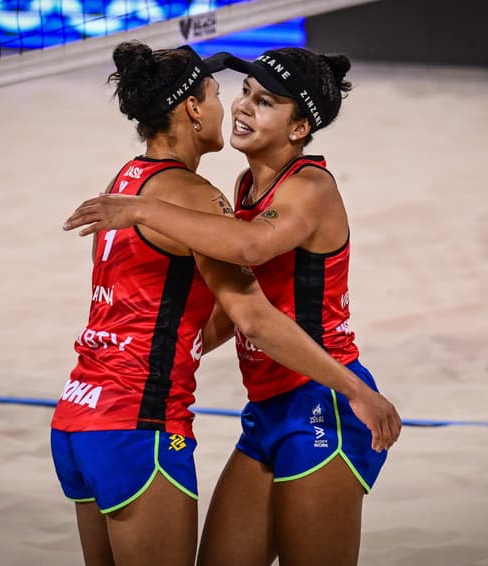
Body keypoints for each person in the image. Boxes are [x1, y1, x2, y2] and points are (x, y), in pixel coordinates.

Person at [51, 42, 400, 566]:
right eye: (242, 93)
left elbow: (251, 257)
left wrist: (144, 208)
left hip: (322, 399)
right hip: (264, 408)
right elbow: (224, 313)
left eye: (264, 102)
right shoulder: (239, 188)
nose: (240, 107)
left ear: (299, 128)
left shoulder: (309, 187)